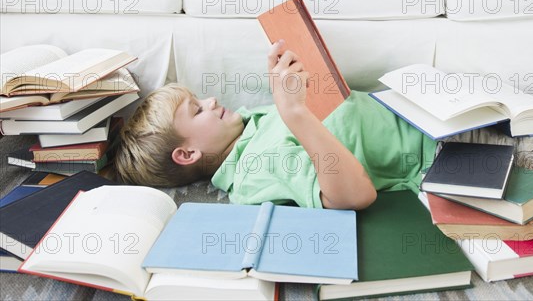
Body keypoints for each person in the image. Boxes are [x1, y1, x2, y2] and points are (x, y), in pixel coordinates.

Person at [114, 40, 437, 210]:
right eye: (197, 110)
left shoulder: (251, 124)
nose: (211, 101)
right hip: (438, 148)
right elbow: (353, 198)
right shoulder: (254, 171)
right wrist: (294, 113)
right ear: (187, 154)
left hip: (423, 106)